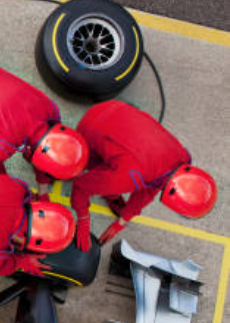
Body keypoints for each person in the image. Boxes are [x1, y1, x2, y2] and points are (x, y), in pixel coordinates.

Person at [70, 100, 217, 251]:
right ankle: (109, 192)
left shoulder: (179, 156)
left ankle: (111, 191)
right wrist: (83, 219)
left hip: (116, 108)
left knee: (123, 170)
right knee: (86, 170)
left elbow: (151, 185)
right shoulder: (130, 177)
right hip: (90, 128)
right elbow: (81, 186)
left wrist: (122, 221)